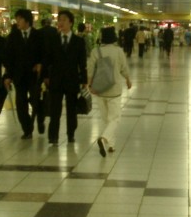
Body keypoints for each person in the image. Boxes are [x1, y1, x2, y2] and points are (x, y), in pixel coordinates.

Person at [88, 26, 132, 157]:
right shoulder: (118, 51)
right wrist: (128, 79)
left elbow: (90, 69)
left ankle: (111, 145)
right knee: (115, 118)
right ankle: (104, 138)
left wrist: (89, 84)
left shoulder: (96, 51)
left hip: (100, 89)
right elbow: (124, 68)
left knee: (106, 118)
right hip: (114, 89)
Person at [45, 10, 87, 145]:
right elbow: (47, 60)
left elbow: (82, 63)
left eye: (63, 20)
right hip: (55, 80)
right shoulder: (52, 40)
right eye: (59, 20)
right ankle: (53, 136)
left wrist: (84, 80)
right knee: (55, 109)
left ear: (70, 22)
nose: (60, 22)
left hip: (72, 80)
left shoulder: (78, 41)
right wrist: (45, 76)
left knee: (71, 110)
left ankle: (71, 134)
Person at [4, 9, 45, 139]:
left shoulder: (38, 36)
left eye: (20, 19)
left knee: (36, 101)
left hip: (34, 76)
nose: (17, 22)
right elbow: (9, 58)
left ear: (27, 20)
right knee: (20, 104)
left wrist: (41, 64)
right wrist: (8, 76)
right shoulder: (13, 36)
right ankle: (27, 129)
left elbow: (45, 54)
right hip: (19, 76)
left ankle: (40, 120)